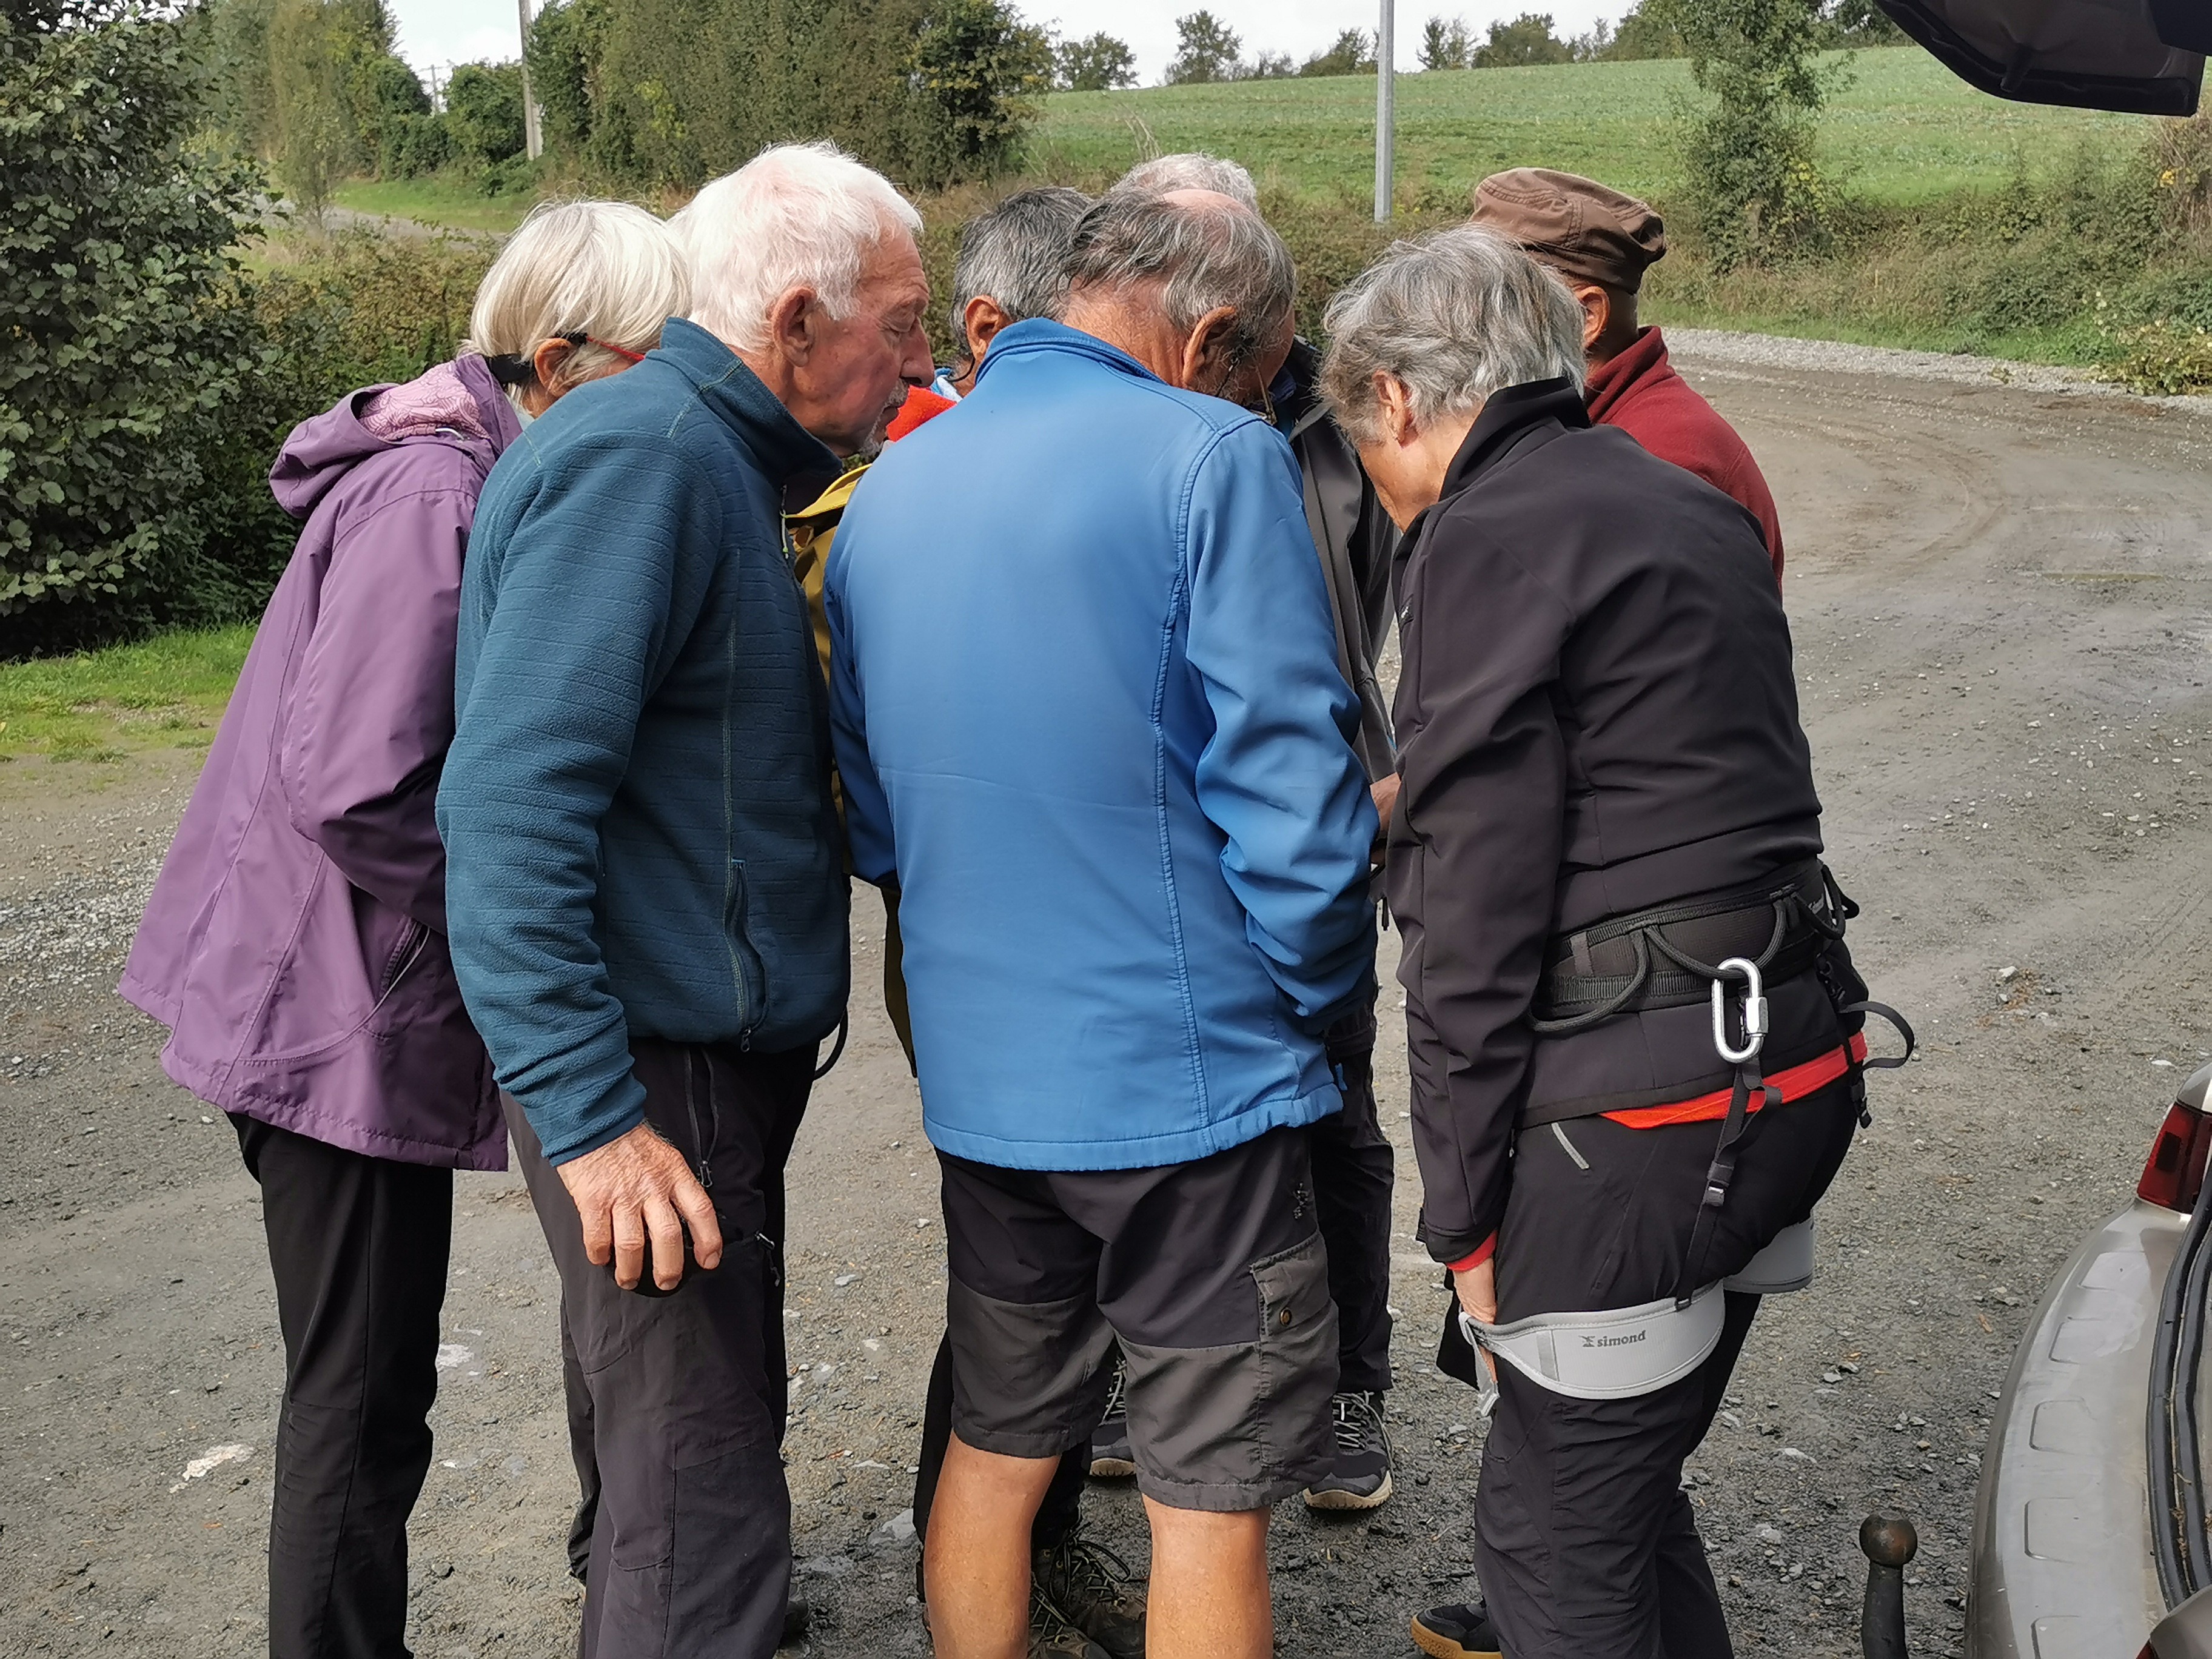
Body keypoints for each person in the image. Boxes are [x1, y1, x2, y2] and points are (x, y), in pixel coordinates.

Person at [116, 199, 687, 1659]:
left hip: (336, 990)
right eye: (652, 359)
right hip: (329, 1014)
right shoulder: (436, 495)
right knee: (359, 1399)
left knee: (366, 1390)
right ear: (557, 356)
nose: (670, 396)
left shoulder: (469, 466)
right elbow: (358, 778)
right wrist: (511, 925)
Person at [1318, 226, 1888, 1659]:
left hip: (1641, 1119)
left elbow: (1471, 909)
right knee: (1620, 1484)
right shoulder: (1672, 489)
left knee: (1550, 1531)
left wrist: (1462, 1220)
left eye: (1355, 436)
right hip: (1790, 1061)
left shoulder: (1483, 529)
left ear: (1393, 397)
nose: (1373, 488)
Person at [826, 189, 1378, 1659]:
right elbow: (1295, 796)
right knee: (1207, 1492)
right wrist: (1311, 995)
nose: (1255, 395)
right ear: (1212, 337)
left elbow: (876, 816)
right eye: (1259, 367)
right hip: (1187, 1088)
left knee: (999, 1447)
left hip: (989, 1083)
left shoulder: (893, 488)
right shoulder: (1215, 456)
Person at [435, 141, 932, 1659]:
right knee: (692, 1484)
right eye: (901, 325)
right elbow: (510, 803)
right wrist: (590, 1112)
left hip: (690, 1055)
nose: (920, 355)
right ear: (793, 318)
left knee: (684, 1435)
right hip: (657, 1067)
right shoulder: (647, 460)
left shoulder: (701, 456)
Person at [1101, 151, 1404, 1515]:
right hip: (1156, 824)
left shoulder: (1334, 431)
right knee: (1157, 1125)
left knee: (1333, 1112)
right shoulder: (1114, 423)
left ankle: (1349, 1394)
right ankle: (1141, 1378)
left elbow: (1407, 617)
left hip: (1320, 802)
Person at [1472, 167, 1788, 580]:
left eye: (1493, 304)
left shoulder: (1664, 461)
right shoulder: (1579, 425)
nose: (1466, 327)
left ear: (1586, 317)